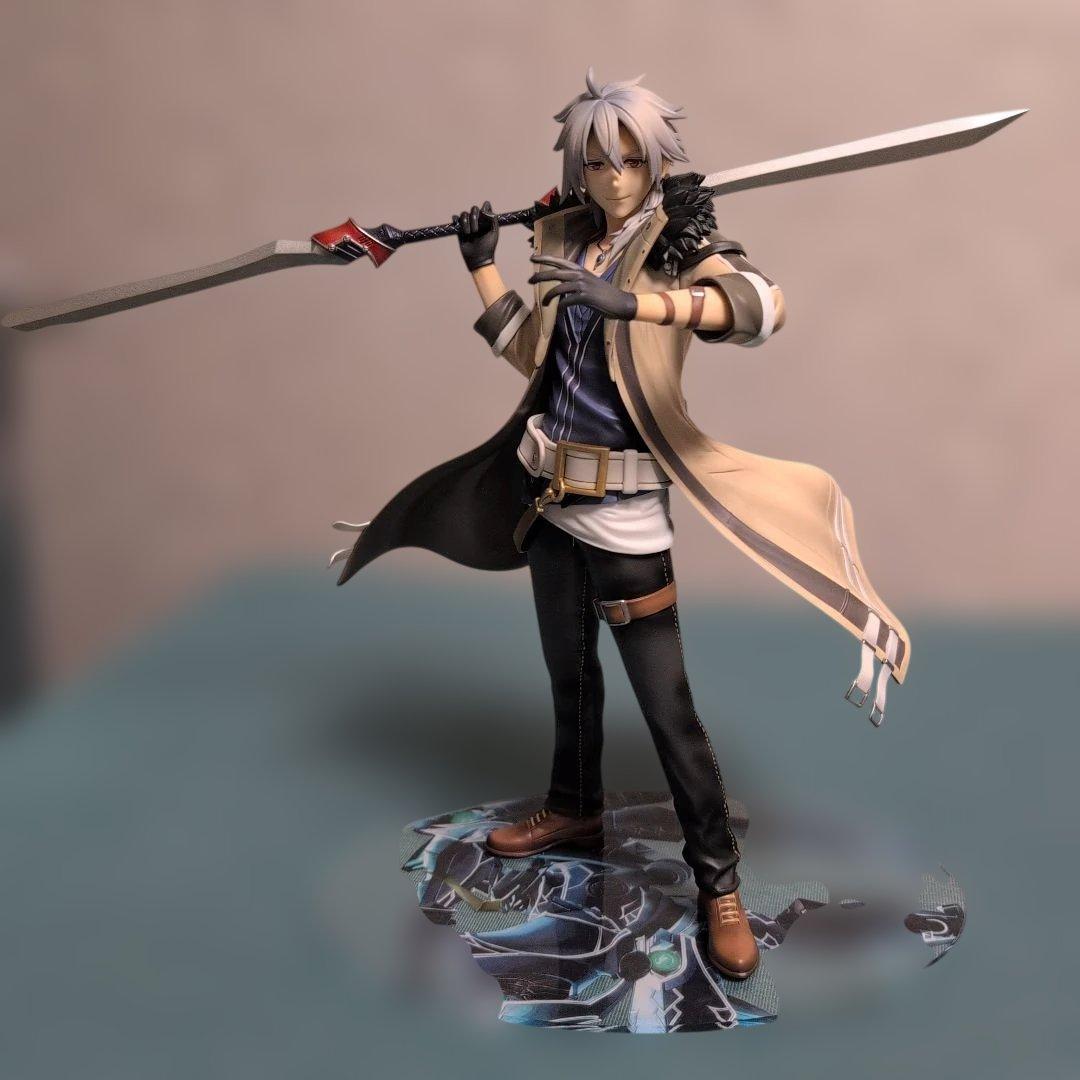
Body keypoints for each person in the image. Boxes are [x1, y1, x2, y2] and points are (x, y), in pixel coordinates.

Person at [333, 69, 910, 982]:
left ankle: (719, 884)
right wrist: (482, 264)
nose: (612, 178)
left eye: (630, 160)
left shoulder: (679, 243)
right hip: (549, 500)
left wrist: (639, 301)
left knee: (668, 712)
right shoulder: (571, 243)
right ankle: (573, 806)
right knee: (569, 678)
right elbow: (535, 354)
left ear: (655, 163)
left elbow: (760, 308)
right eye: (596, 162)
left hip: (630, 512)